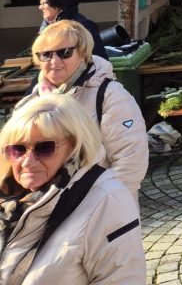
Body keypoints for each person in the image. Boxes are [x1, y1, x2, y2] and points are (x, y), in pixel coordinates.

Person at [0, 94, 145, 283]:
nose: (27, 161)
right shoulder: (8, 199)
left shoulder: (107, 200)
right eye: (17, 149)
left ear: (73, 146)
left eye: (44, 148)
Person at [18, 20, 147, 201]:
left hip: (98, 207)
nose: (54, 61)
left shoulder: (111, 96)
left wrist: (102, 204)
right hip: (45, 209)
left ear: (82, 53)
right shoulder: (30, 103)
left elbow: (131, 161)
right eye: (45, 55)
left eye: (64, 52)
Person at [38, 0, 107, 61]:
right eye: (40, 4)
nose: (40, 7)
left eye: (43, 3)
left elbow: (98, 60)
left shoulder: (83, 27)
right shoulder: (48, 25)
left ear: (59, 5)